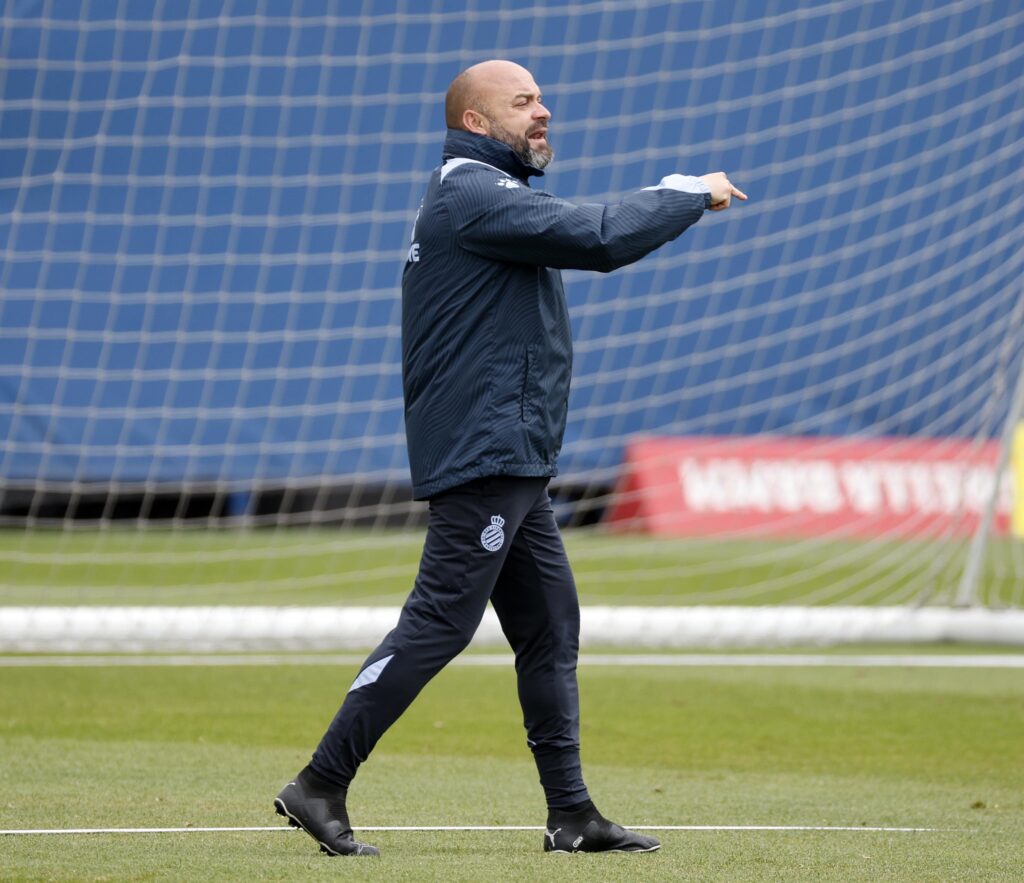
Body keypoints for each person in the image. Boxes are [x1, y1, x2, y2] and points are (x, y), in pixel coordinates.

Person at [274, 59, 746, 857]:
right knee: (438, 624)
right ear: (476, 123)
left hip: (513, 456)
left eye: (542, 99)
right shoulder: (471, 193)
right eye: (523, 102)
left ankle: (571, 813)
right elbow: (598, 237)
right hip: (488, 453)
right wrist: (686, 191)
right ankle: (320, 781)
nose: (544, 112)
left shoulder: (492, 197)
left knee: (549, 625)